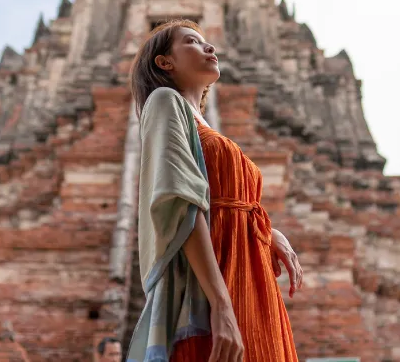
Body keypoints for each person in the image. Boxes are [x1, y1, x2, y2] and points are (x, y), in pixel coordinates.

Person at [125, 20, 303, 362]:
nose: (210, 47)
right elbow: (180, 203)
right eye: (192, 42)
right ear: (165, 62)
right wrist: (221, 306)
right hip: (213, 283)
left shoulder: (206, 126)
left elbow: (224, 197)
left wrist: (269, 233)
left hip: (250, 273)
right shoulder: (164, 101)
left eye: (207, 41)